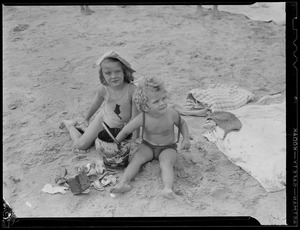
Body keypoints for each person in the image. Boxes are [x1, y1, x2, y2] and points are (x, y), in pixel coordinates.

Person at [109, 76, 191, 199]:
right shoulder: (143, 117)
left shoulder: (171, 113)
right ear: (145, 107)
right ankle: (123, 183)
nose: (162, 103)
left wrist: (186, 138)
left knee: (166, 163)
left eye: (163, 98)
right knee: (136, 159)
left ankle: (167, 188)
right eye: (156, 101)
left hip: (168, 147)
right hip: (148, 145)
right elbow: (126, 130)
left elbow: (182, 124)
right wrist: (116, 142)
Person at [61, 51, 139, 150]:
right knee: (81, 145)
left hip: (123, 128)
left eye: (117, 71)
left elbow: (135, 118)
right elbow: (96, 104)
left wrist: (134, 139)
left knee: (112, 148)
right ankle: (71, 125)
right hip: (103, 121)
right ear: (103, 75)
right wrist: (86, 118)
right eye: (108, 73)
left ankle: (87, 131)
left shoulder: (133, 90)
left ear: (124, 72)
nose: (113, 76)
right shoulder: (104, 89)